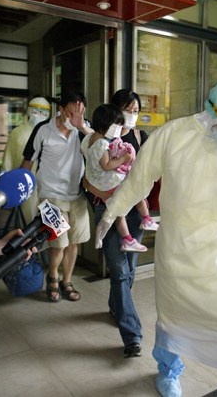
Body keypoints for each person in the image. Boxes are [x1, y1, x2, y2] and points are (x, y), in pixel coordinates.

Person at [95, 80, 217, 397]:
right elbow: (140, 177)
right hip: (179, 254)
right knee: (174, 320)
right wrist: (112, 211)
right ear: (210, 112)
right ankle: (169, 371)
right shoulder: (174, 134)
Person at [83, 89, 148, 358]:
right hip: (109, 211)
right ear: (114, 111)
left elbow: (146, 174)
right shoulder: (99, 139)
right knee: (120, 272)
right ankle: (132, 335)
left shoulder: (140, 137)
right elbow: (86, 179)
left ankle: (116, 306)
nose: (131, 115)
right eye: (127, 110)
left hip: (134, 211)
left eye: (135, 110)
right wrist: (106, 196)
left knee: (130, 269)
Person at [20, 90, 93, 303]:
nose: (74, 118)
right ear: (60, 110)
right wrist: (20, 190)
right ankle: (52, 276)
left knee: (74, 242)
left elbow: (100, 146)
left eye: (79, 113)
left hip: (77, 196)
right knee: (58, 243)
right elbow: (27, 162)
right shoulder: (43, 130)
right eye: (71, 113)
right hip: (50, 196)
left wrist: (81, 126)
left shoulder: (83, 129)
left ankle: (66, 280)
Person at [81, 103, 158, 252]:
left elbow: (82, 151)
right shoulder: (102, 143)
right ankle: (146, 219)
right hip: (107, 182)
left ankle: (127, 239)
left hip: (95, 180)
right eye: (115, 125)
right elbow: (107, 165)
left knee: (117, 212)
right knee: (136, 192)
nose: (118, 129)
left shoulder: (88, 138)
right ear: (105, 123)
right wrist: (124, 158)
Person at [1, 97, 51, 224]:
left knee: (46, 222)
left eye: (44, 112)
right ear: (29, 111)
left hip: (47, 186)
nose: (40, 115)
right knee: (26, 220)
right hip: (24, 185)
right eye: (36, 111)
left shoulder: (51, 133)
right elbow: (8, 160)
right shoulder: (17, 133)